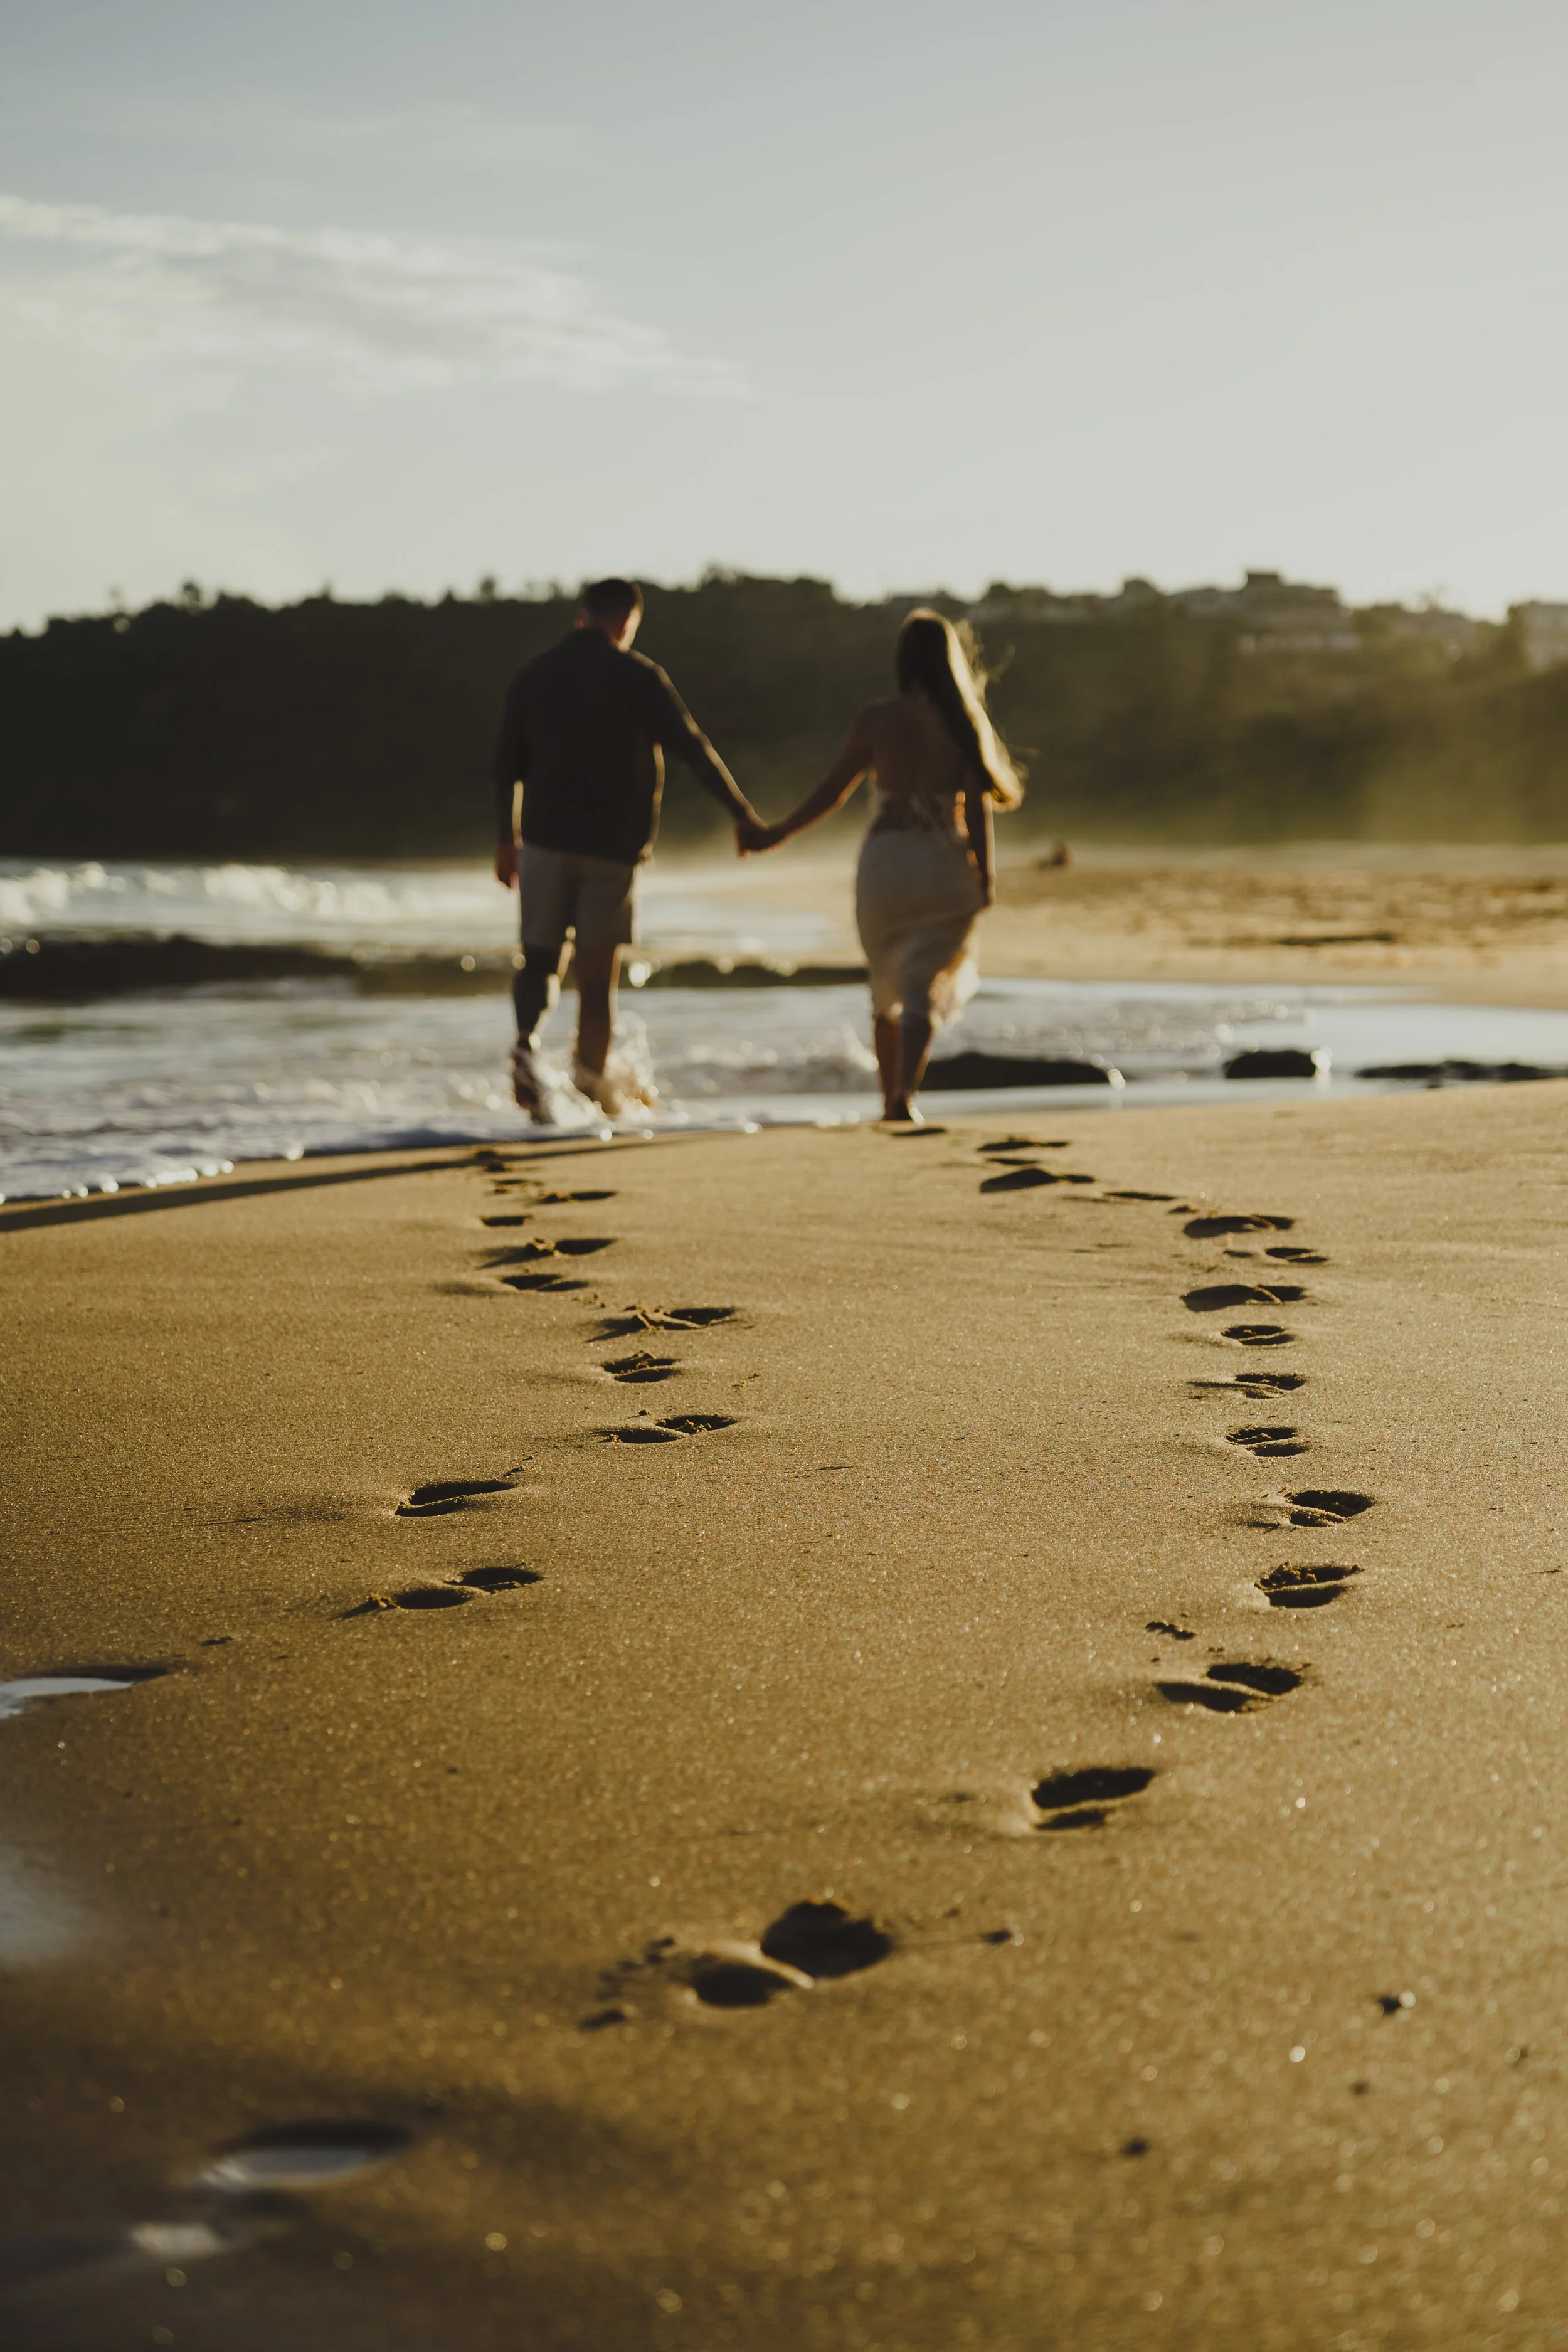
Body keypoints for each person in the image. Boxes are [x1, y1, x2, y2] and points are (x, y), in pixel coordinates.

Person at [492, 577, 763, 1119]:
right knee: (597, 978)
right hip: (612, 849)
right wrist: (742, 814)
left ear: (582, 617)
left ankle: (525, 1048)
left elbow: (505, 765)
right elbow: (692, 747)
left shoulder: (535, 673)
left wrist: (506, 840)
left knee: (540, 958)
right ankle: (592, 1092)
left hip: (544, 841)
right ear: (627, 622)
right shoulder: (636, 674)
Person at [739, 608, 1022, 1123]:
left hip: (885, 865)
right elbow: (979, 810)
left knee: (884, 982)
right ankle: (904, 1097)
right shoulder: (962, 719)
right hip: (942, 865)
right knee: (922, 988)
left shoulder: (877, 717)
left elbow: (832, 791)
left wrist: (775, 833)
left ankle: (887, 1096)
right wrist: (985, 876)